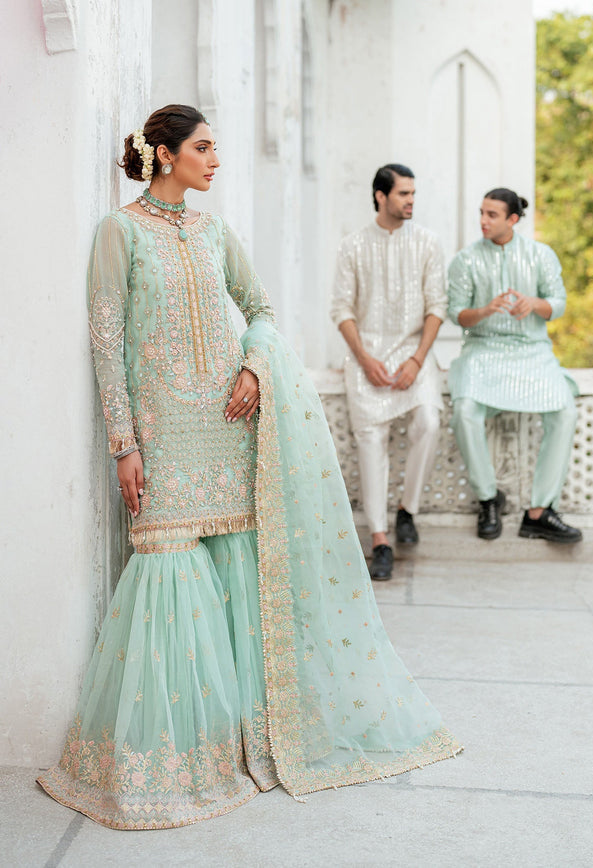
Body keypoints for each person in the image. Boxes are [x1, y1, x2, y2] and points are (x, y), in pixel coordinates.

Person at [37, 107, 461, 830]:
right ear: (164, 155)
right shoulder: (119, 233)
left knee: (235, 579)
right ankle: (175, 761)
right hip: (164, 440)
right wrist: (124, 443)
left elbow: (259, 307)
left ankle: (239, 743)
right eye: (204, 148)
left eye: (216, 148)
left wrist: (259, 368)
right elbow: (106, 346)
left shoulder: (213, 232)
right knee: (169, 574)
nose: (217, 159)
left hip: (227, 432)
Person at [331, 164, 447, 580]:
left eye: (413, 193)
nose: (411, 201)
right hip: (367, 357)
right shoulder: (353, 246)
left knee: (429, 421)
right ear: (380, 196)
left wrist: (417, 359)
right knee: (370, 439)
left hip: (415, 355)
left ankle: (407, 510)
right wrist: (364, 358)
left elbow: (437, 307)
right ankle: (380, 540)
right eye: (403, 194)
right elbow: (341, 309)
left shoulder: (429, 244)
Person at [447, 187, 582, 543]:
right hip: (482, 349)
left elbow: (559, 303)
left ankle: (539, 511)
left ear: (513, 219)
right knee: (464, 411)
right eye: (481, 213)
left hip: (532, 351)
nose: (483, 221)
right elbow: (458, 314)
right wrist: (485, 310)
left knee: (565, 413)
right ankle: (489, 497)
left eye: (492, 215)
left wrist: (535, 304)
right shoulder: (465, 260)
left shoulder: (541, 255)